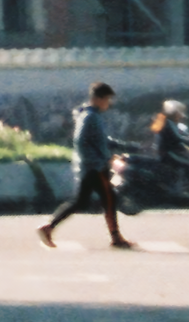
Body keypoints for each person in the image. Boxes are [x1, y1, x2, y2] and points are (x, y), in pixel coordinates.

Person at [42, 80, 133, 249]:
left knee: (82, 201)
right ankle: (116, 238)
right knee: (109, 199)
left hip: (92, 166)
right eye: (107, 99)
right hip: (95, 167)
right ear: (99, 99)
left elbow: (100, 140)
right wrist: (102, 158)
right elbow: (82, 141)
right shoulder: (90, 116)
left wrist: (115, 149)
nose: (109, 104)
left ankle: (49, 227)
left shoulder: (90, 115)